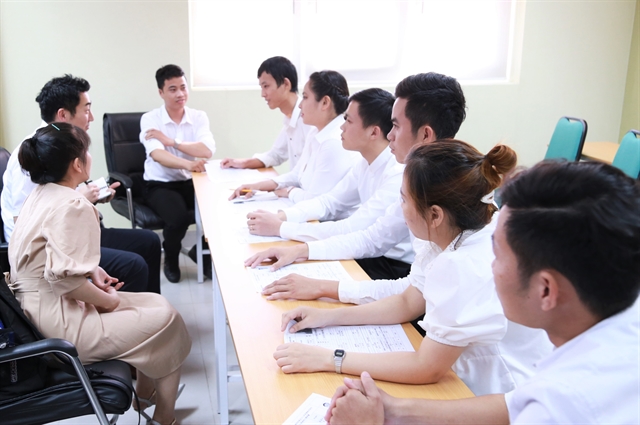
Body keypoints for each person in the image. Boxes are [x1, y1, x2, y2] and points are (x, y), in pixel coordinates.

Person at [325, 160, 640, 425]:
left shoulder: (560, 408)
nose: (490, 266)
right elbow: (514, 402)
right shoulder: (618, 323)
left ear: (546, 290)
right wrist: (392, 409)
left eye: (498, 254)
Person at [273, 140, 553, 396]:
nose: (400, 207)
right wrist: (327, 318)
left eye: (404, 199)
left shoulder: (462, 263)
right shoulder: (459, 230)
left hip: (503, 394)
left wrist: (328, 358)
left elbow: (426, 367)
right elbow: (408, 300)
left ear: (435, 215)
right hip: (468, 379)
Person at [9, 123, 191, 425]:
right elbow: (65, 281)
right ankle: (162, 416)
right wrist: (108, 302)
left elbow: (49, 258)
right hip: (59, 325)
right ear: (78, 164)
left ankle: (147, 398)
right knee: (167, 320)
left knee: (155, 304)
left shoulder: (39, 195)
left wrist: (93, 271)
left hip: (34, 311)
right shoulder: (74, 203)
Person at [245, 72, 466, 281]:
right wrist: (289, 230)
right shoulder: (383, 166)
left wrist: (283, 227)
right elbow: (342, 211)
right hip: (388, 265)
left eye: (396, 126)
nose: (390, 135)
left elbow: (366, 236)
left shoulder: (401, 175)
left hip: (392, 265)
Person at [1, 74, 161, 294]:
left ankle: (143, 309)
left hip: (72, 232)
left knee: (150, 241)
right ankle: (116, 316)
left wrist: (94, 194)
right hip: (49, 249)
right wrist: (81, 198)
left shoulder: (63, 143)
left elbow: (60, 194)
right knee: (133, 265)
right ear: (63, 115)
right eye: (86, 110)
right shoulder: (32, 152)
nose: (91, 117)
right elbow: (27, 223)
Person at [230, 70, 359, 204]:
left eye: (305, 97)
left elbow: (314, 201)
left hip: (326, 220)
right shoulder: (315, 131)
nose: (300, 104)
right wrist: (258, 186)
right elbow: (297, 174)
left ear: (325, 102)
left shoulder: (334, 142)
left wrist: (289, 191)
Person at [140, 64, 216, 283]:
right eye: (172, 89)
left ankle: (199, 253)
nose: (180, 94)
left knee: (220, 211)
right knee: (177, 218)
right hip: (160, 184)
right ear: (161, 93)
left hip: (192, 181)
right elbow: (158, 155)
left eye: (183, 87)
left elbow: (206, 150)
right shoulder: (150, 119)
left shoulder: (198, 116)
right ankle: (171, 258)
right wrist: (189, 164)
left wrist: (172, 141)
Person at [220, 56, 311, 170]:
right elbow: (276, 154)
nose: (263, 94)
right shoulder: (290, 117)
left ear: (286, 84)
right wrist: (242, 163)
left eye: (266, 86)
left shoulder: (309, 118)